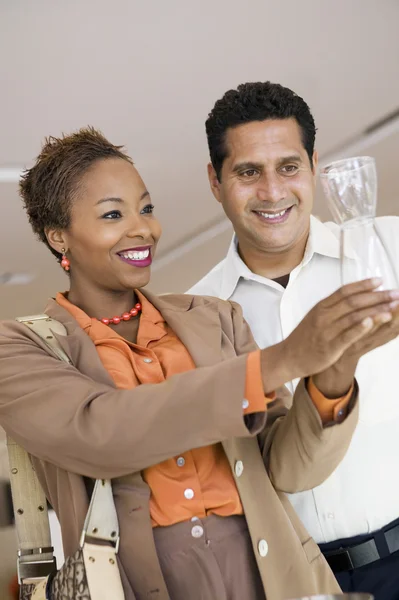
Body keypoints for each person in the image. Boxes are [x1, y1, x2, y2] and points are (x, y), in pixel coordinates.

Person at [0, 129, 397, 600]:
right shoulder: (23, 347)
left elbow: (290, 471)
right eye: (113, 214)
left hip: (272, 575)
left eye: (146, 209)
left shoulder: (214, 317)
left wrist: (336, 365)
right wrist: (284, 359)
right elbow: (102, 432)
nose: (142, 228)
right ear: (59, 236)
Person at [189, 81, 399, 600]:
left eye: (288, 166)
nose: (273, 191)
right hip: (299, 582)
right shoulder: (198, 316)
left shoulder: (390, 249)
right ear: (215, 182)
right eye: (247, 172)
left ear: (313, 165)